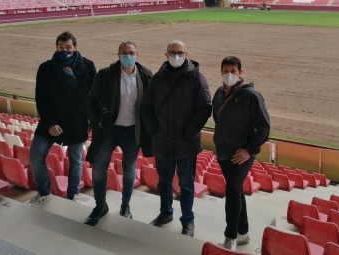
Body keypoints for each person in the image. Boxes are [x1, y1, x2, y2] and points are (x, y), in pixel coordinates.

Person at [141, 40, 212, 236]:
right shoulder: (157, 78)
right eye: (172, 52)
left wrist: (188, 132)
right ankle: (165, 213)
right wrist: (154, 129)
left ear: (186, 54)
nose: (176, 56)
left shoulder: (197, 78)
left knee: (186, 184)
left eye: (179, 52)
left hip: (186, 144)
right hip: (162, 141)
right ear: (166, 54)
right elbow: (146, 107)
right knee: (164, 181)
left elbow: (204, 108)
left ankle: (188, 220)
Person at [83, 41, 153, 226]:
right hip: (109, 130)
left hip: (133, 131)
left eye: (131, 52)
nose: (127, 55)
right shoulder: (105, 74)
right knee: (98, 168)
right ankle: (100, 206)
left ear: (137, 54)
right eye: (124, 52)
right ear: (118, 55)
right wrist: (96, 122)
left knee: (129, 170)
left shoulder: (146, 75)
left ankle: (125, 206)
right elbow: (92, 100)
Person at [28, 31, 96, 206]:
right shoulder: (46, 68)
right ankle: (44, 193)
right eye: (61, 47)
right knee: (36, 156)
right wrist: (50, 123)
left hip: (77, 121)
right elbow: (41, 97)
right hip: (50, 121)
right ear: (56, 47)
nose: (64, 50)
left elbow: (95, 96)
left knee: (76, 160)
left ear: (75, 47)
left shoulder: (87, 66)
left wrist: (92, 120)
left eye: (68, 47)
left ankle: (73, 195)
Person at [212, 56, 270, 250]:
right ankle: (243, 232)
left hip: (242, 154)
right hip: (223, 152)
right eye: (226, 71)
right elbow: (218, 120)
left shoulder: (251, 96)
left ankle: (230, 236)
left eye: (233, 71)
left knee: (232, 189)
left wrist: (250, 150)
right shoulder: (219, 93)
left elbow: (264, 127)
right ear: (221, 71)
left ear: (240, 73)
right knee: (235, 190)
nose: (229, 75)